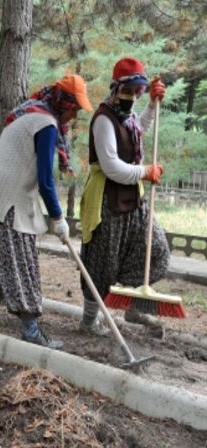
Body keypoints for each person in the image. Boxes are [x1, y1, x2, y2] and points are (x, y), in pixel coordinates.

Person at [0, 74, 94, 349]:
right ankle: (31, 330)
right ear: (65, 103)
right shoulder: (46, 124)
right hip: (11, 197)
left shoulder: (30, 112)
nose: (74, 116)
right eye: (74, 109)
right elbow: (45, 180)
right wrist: (58, 218)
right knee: (21, 262)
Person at [79, 58, 168, 329]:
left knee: (155, 249)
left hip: (132, 198)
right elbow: (111, 166)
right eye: (127, 91)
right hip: (106, 200)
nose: (132, 97)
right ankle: (89, 321)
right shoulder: (104, 119)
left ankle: (132, 306)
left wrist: (152, 105)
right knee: (102, 263)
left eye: (138, 91)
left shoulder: (127, 118)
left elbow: (139, 130)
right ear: (115, 88)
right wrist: (144, 172)